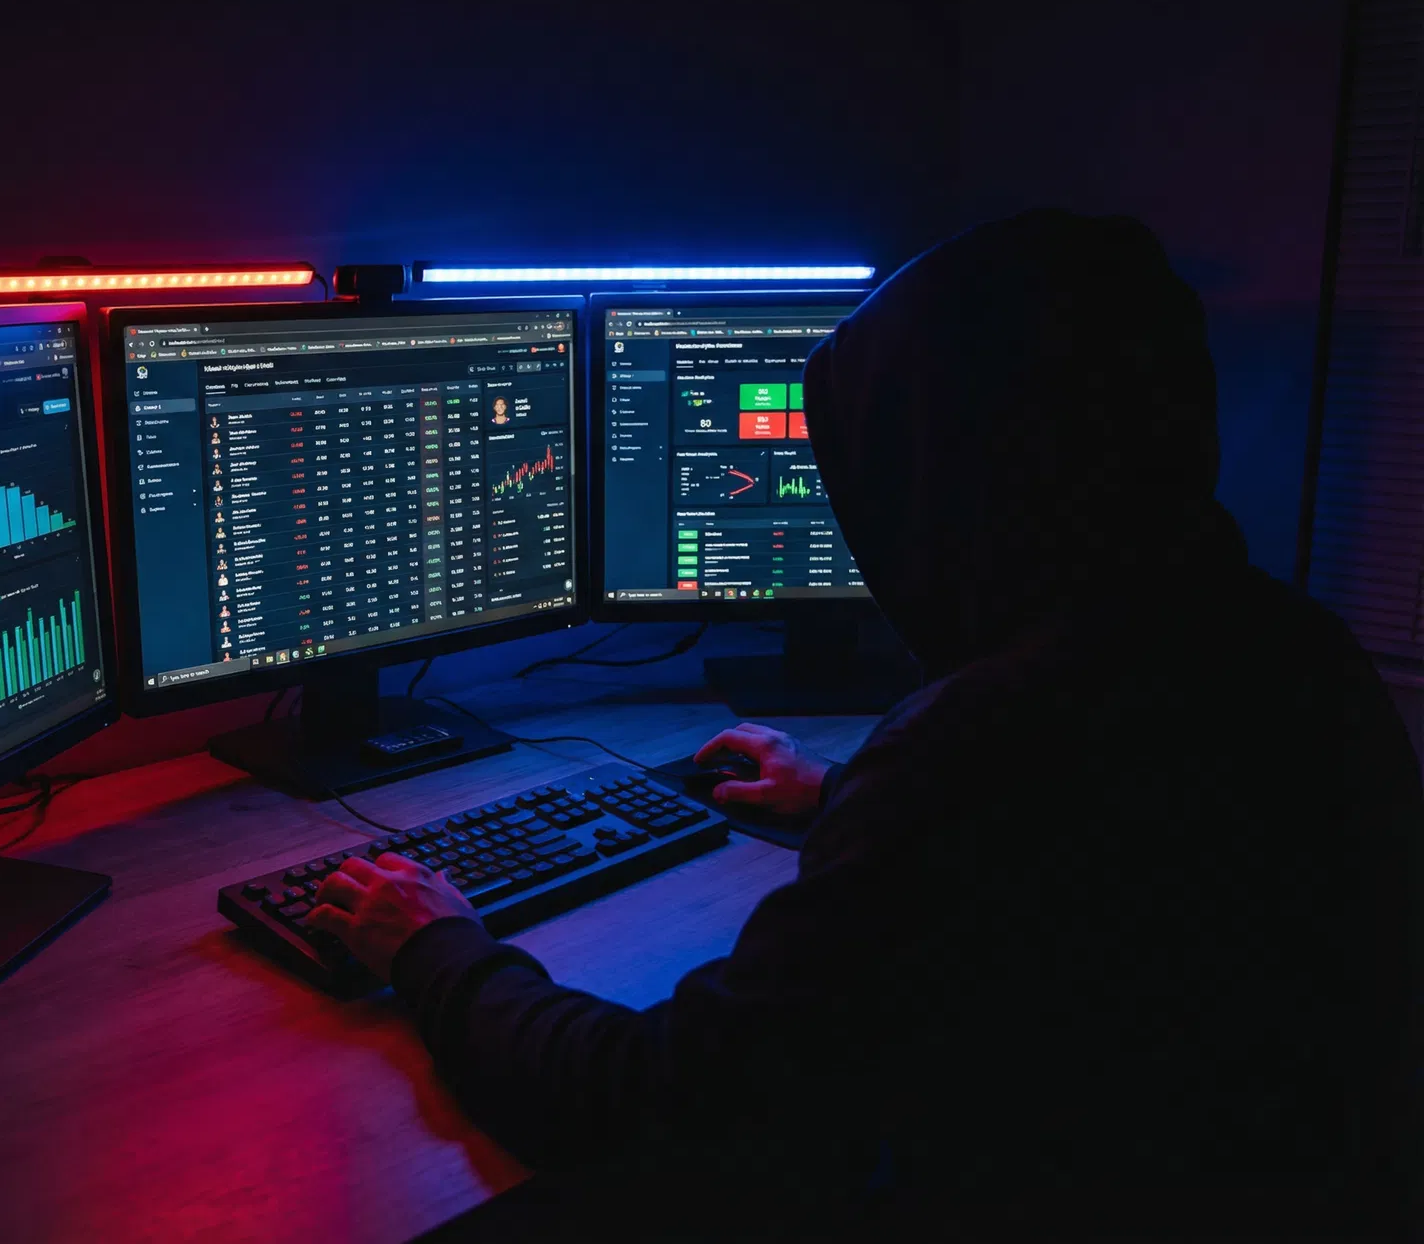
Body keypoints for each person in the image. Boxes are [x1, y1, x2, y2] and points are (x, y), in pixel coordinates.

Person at [308, 211, 1421, 1238]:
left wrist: (436, 948)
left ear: (948, 476)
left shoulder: (978, 748)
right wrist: (844, 797)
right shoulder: (1289, 648)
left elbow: (644, 1105)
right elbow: (1095, 850)